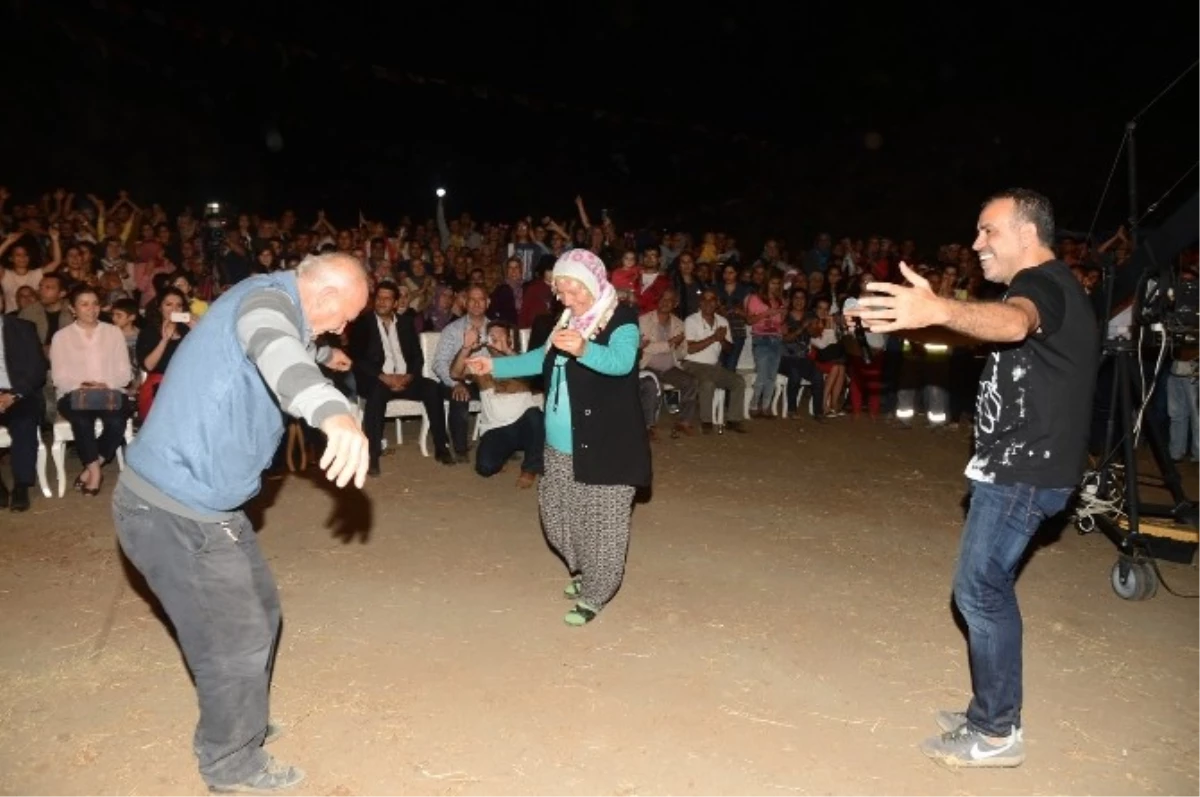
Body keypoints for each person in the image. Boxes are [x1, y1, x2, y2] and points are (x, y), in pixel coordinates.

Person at [850, 189, 1099, 768]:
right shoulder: (1047, 289)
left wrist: (939, 307)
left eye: (988, 231)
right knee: (984, 586)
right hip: (1017, 466)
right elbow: (989, 333)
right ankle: (989, 710)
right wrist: (910, 323)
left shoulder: (1042, 288)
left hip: (1025, 471)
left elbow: (1014, 325)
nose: (976, 243)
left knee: (980, 588)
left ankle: (995, 732)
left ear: (1026, 233)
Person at [111, 252, 371, 793]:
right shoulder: (266, 302)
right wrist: (332, 410)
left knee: (262, 610)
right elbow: (272, 343)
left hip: (203, 508)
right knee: (235, 638)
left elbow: (282, 341)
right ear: (321, 296)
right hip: (174, 511)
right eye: (342, 316)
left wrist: (322, 351)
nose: (343, 327)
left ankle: (240, 716)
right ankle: (230, 762)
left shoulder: (266, 293)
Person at [466, 249, 651, 626]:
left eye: (570, 290)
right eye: (560, 291)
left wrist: (584, 348)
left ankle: (596, 593)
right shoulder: (566, 319)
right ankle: (583, 570)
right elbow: (541, 360)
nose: (564, 299)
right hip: (558, 444)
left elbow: (621, 364)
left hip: (605, 444)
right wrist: (495, 366)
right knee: (557, 515)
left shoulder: (622, 320)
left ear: (590, 284)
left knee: (602, 523)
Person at [348, 280, 456, 471]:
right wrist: (383, 376)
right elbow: (358, 358)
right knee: (375, 394)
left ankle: (441, 446)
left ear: (396, 303)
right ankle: (373, 456)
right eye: (379, 298)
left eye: (387, 299)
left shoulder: (406, 323)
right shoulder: (362, 323)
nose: (382, 302)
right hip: (378, 380)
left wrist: (409, 377)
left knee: (432, 388)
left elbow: (417, 357)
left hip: (406, 379)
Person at [0, 289, 48, 512]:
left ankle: (21, 485)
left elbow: (37, 370)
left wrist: (14, 394)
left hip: (20, 393)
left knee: (25, 422)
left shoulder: (22, 328)